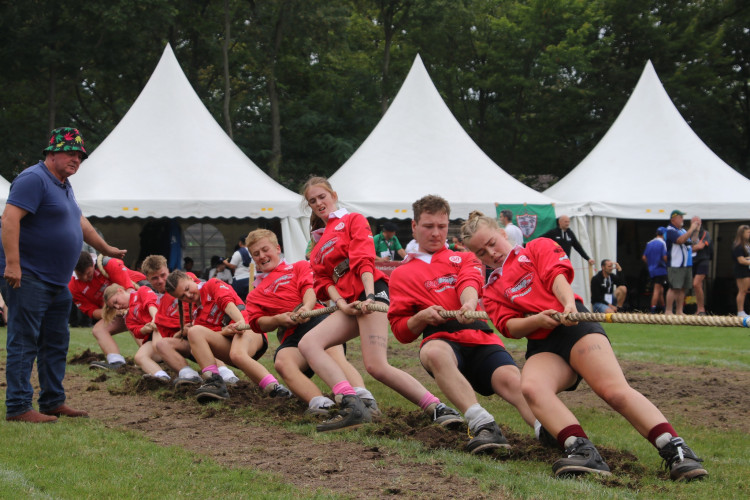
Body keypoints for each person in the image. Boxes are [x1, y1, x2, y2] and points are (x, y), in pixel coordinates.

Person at [460, 211, 707, 481]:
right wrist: (537, 320)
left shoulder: (537, 247)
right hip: (542, 340)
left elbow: (557, 277)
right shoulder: (491, 288)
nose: (491, 253)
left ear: (503, 233)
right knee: (530, 387)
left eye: (492, 243)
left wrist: (567, 305)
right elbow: (509, 326)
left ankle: (677, 450)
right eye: (481, 253)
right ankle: (582, 450)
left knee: (612, 391)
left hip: (575, 325)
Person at [297, 176, 461, 432]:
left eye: (322, 197)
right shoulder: (317, 241)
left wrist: (370, 296)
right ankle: (352, 404)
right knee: (308, 343)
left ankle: (437, 408)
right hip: (349, 302)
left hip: (370, 291)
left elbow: (364, 259)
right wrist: (340, 303)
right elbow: (321, 279)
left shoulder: (352, 220)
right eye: (312, 200)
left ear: (334, 195)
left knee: (376, 366)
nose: (319, 203)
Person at [388, 195, 537, 454]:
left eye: (442, 226)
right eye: (428, 226)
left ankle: (550, 431)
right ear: (414, 227)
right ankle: (483, 425)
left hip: (480, 336)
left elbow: (469, 281)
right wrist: (421, 318)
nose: (436, 233)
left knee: (513, 382)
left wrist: (469, 303)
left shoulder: (464, 258)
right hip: (441, 340)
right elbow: (401, 331)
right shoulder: (401, 273)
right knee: (433, 351)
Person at [0, 127, 126, 423]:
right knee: (24, 339)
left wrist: (105, 247)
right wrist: (13, 264)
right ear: (52, 153)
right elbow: (9, 220)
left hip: (56, 281)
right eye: (70, 153)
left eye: (79, 155)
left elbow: (79, 222)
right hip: (29, 276)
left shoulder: (63, 184)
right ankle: (18, 406)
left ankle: (52, 401)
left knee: (56, 341)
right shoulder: (33, 179)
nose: (76, 159)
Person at [244, 229, 378, 416]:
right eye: (256, 254)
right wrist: (277, 319)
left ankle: (364, 399)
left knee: (332, 351)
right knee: (283, 362)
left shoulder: (298, 266)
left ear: (277, 248)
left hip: (316, 318)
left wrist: (306, 307)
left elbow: (309, 288)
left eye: (265, 250)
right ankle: (322, 404)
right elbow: (257, 323)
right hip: (292, 335)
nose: (262, 256)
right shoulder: (254, 294)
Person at [165, 271, 291, 402]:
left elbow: (227, 303)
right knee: (194, 331)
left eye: (187, 289)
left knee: (237, 354)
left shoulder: (211, 284)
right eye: (182, 296)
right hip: (230, 343)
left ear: (190, 278)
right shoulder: (198, 316)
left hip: (249, 328)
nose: (188, 295)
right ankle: (214, 381)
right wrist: (224, 332)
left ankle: (275, 388)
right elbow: (213, 337)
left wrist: (239, 321)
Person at [143, 255, 238, 387]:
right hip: (188, 340)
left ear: (168, 270)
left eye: (163, 275)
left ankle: (226, 374)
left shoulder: (186, 281)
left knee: (198, 334)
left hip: (210, 333)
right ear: (148, 279)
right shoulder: (162, 305)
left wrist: (194, 327)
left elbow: (206, 301)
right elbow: (170, 335)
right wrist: (183, 331)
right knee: (160, 344)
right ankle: (189, 375)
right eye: (154, 278)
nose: (160, 280)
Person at [69, 251, 147, 369]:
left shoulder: (107, 264)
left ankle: (151, 357)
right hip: (118, 310)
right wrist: (115, 312)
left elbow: (130, 291)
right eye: (81, 275)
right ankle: (117, 362)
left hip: (141, 299)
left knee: (130, 318)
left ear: (93, 264)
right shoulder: (72, 286)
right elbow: (92, 312)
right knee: (98, 330)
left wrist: (125, 310)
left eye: (88, 273)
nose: (85, 278)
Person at [100, 283, 168, 382]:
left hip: (165, 327)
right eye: (114, 307)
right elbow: (136, 331)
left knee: (157, 335)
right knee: (139, 357)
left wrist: (154, 319)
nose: (117, 307)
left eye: (116, 302)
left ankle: (185, 373)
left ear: (120, 291)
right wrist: (143, 329)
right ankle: (162, 377)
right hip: (155, 336)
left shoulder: (141, 291)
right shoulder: (128, 317)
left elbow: (152, 303)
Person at [665, 210, 700, 315]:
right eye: (680, 217)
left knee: (682, 288)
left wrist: (696, 231)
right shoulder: (670, 230)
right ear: (673, 219)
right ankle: (668, 310)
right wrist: (692, 228)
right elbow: (680, 240)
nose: (682, 219)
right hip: (676, 264)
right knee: (674, 288)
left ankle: (679, 311)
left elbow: (691, 242)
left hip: (686, 264)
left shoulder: (683, 230)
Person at [642, 228, 668, 313]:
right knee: (657, 290)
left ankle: (664, 309)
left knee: (660, 290)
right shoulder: (663, 243)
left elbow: (644, 257)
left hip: (651, 270)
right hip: (660, 270)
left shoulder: (649, 243)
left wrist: (650, 264)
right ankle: (652, 310)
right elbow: (664, 257)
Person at [691, 223, 712, 315]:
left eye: (698, 223)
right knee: (694, 285)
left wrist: (690, 248)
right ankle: (697, 309)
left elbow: (700, 246)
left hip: (703, 261)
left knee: (696, 284)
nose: (696, 224)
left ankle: (701, 309)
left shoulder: (705, 233)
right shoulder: (688, 233)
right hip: (692, 262)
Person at [224, 236, 253, 301]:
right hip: (252, 278)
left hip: (240, 279)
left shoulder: (238, 253)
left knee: (239, 299)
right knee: (252, 297)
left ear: (240, 243)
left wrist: (225, 263)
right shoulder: (253, 251)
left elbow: (233, 266)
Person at [731, 225, 750, 318]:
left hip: (746, 269)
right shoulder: (738, 245)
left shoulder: (747, 244)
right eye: (748, 233)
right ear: (742, 234)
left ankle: (742, 311)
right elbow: (741, 260)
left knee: (745, 290)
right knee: (743, 290)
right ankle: (740, 311)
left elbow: (745, 257)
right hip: (741, 270)